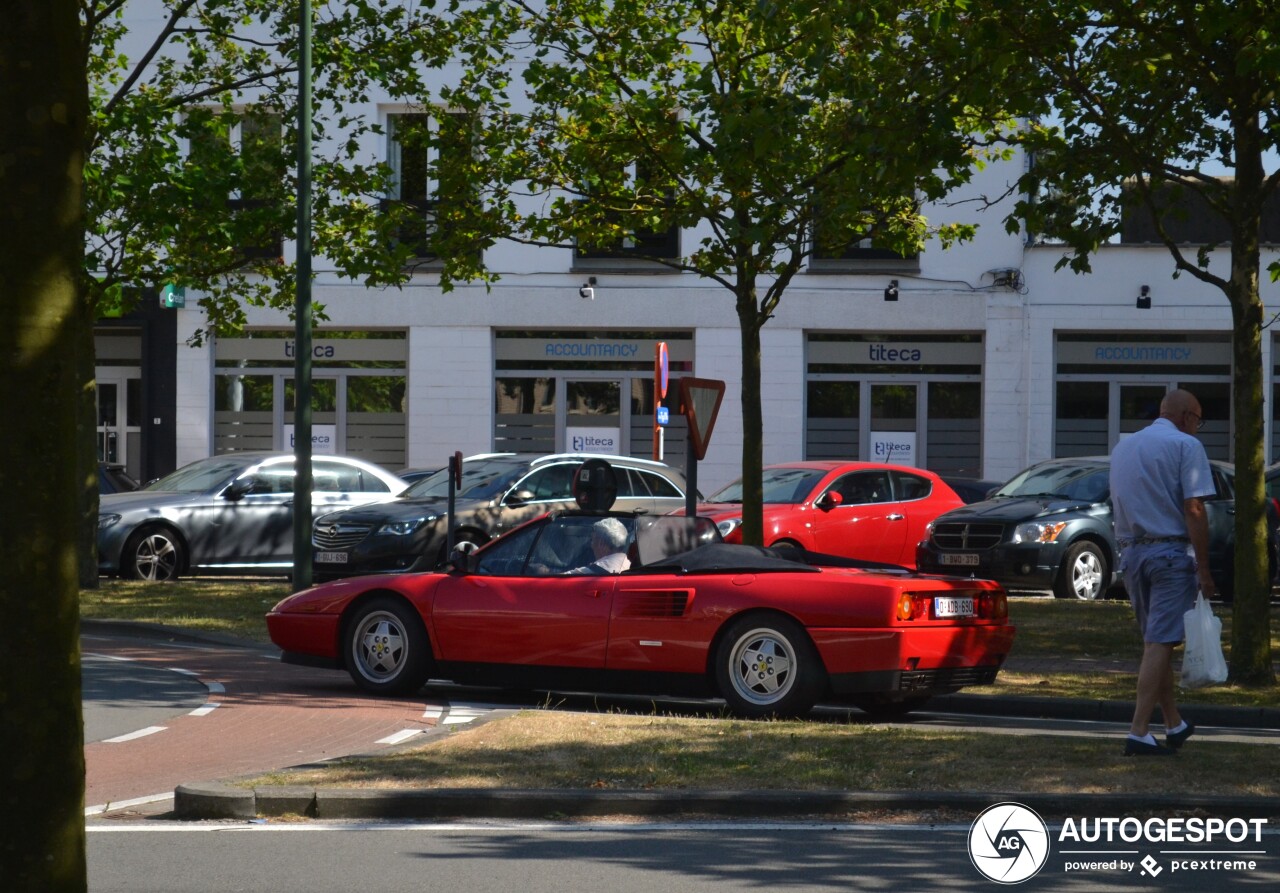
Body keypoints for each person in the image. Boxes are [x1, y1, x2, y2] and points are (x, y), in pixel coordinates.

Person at [1110, 389, 1216, 756]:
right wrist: (1204, 568)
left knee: (1156, 643)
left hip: (1132, 554)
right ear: (1187, 416)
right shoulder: (1186, 447)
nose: (1198, 428)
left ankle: (1174, 723)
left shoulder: (1123, 448)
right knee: (1161, 643)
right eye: (1199, 420)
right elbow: (1194, 507)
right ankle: (1138, 731)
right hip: (1170, 554)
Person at [563, 517, 631, 575]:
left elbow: (562, 578)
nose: (591, 545)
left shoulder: (599, 568)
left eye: (593, 540)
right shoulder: (631, 563)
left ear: (601, 543)